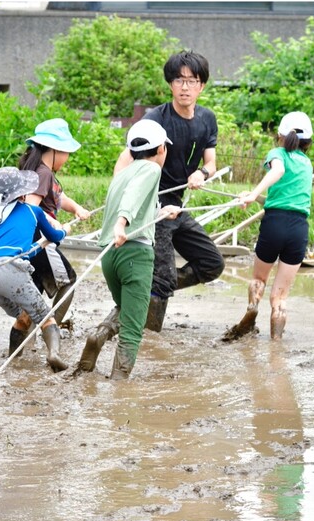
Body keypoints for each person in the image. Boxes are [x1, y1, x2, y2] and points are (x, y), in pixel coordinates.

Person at [109, 50, 223, 336]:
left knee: (212, 264)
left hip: (177, 208)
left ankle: (142, 294)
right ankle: (147, 339)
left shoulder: (207, 119)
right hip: (154, 208)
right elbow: (125, 161)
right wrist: (122, 202)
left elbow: (211, 162)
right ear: (170, 84)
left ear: (202, 85)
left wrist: (202, 174)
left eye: (192, 81)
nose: (185, 87)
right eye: (179, 80)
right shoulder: (155, 118)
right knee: (161, 278)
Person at [74, 120, 179, 379]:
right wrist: (122, 223)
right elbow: (132, 199)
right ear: (162, 149)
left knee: (126, 308)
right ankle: (120, 390)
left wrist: (160, 211)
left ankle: (99, 334)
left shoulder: (123, 174)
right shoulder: (152, 169)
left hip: (111, 255)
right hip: (135, 253)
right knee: (134, 326)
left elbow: (135, 199)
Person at [224, 112, 314, 341]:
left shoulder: (278, 153)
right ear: (308, 141)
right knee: (280, 298)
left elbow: (278, 171)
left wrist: (254, 192)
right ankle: (276, 346)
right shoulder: (306, 163)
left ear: (280, 136)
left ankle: (253, 308)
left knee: (259, 279)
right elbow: (286, 198)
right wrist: (256, 198)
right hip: (298, 228)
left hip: (274, 224)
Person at [0, 167, 71, 373]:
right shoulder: (33, 210)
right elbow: (55, 237)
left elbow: (9, 246)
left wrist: (36, 245)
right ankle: (54, 354)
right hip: (12, 269)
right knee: (46, 317)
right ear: (22, 193)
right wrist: (65, 230)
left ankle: (13, 359)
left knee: (24, 316)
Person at [17, 118, 90, 347]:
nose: (67, 158)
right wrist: (53, 223)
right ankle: (51, 331)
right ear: (55, 150)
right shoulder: (43, 173)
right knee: (68, 281)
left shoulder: (40, 171)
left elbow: (58, 197)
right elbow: (31, 206)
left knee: (33, 295)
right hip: (42, 240)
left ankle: (21, 351)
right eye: (66, 152)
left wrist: (77, 208)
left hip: (31, 241)